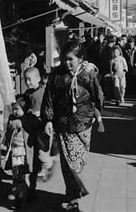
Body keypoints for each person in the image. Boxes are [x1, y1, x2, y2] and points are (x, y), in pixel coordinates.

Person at [41, 39, 104, 211]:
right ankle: (73, 196)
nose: (67, 63)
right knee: (68, 164)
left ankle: (74, 192)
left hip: (83, 126)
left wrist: (95, 115)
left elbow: (97, 96)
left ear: (80, 58)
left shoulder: (88, 75)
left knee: (76, 163)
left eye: (71, 59)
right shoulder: (56, 75)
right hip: (63, 124)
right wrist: (47, 119)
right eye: (65, 59)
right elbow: (49, 97)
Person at [22, 67, 55, 198]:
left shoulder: (42, 92)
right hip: (31, 129)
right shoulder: (28, 93)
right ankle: (32, 184)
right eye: (26, 79)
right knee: (33, 157)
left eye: (30, 79)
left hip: (42, 130)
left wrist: (39, 113)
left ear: (38, 79)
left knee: (42, 154)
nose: (28, 82)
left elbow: (47, 109)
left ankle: (48, 165)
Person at [3, 95, 30, 208]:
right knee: (15, 172)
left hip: (22, 151)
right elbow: (7, 134)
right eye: (13, 108)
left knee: (21, 173)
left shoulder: (27, 120)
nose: (14, 111)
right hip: (13, 150)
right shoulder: (12, 119)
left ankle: (21, 193)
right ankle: (17, 190)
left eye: (17, 109)